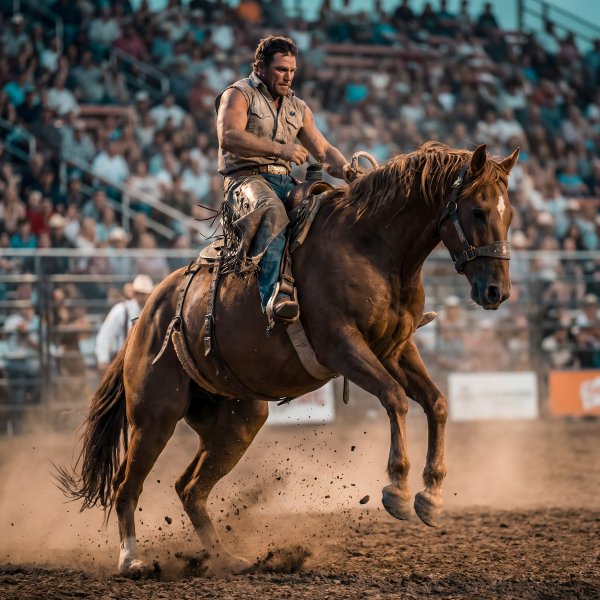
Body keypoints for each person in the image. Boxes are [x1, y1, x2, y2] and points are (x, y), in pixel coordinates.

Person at [215, 35, 351, 324]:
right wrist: (281, 150)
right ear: (261, 67)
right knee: (271, 210)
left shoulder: (297, 108)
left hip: (284, 182)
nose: (288, 77)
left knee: (333, 211)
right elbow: (228, 136)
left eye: (292, 71)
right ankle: (275, 296)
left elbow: (324, 150)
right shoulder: (238, 94)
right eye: (280, 70)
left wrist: (348, 170)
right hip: (244, 182)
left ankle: (348, 296)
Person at [94, 274, 154, 371]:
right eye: (140, 293)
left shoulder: (153, 314)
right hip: (122, 362)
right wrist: (103, 358)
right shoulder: (121, 310)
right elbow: (105, 335)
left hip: (144, 363)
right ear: (134, 293)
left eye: (146, 293)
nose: (143, 297)